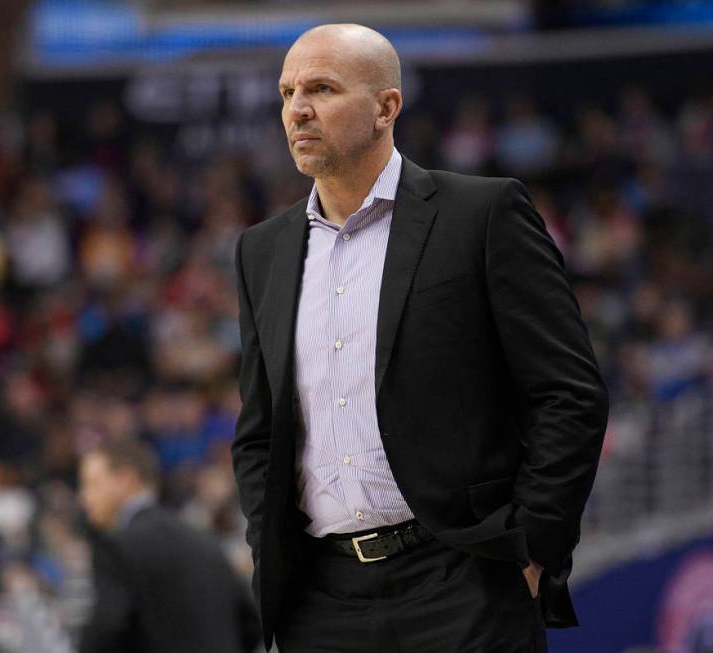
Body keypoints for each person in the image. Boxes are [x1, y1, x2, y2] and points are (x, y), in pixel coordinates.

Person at [231, 24, 609, 652]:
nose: (297, 108)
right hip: (321, 601)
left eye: (321, 88)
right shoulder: (260, 251)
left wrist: (532, 546)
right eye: (288, 91)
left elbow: (570, 394)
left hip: (463, 581)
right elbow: (259, 430)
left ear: (386, 108)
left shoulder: (481, 215)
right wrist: (267, 546)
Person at [77, 439, 261, 653]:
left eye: (91, 484)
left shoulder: (116, 546)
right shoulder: (203, 539)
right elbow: (251, 621)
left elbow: (107, 628)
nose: (83, 498)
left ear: (126, 479)